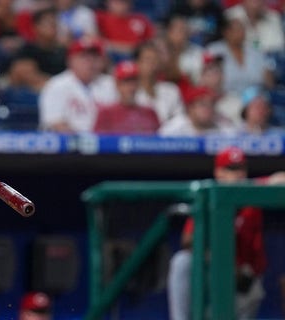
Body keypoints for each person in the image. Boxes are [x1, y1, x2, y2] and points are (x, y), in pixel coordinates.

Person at [167, 146, 285, 320]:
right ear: (218, 172)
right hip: (213, 273)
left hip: (244, 281)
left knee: (253, 289)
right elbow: (187, 241)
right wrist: (221, 262)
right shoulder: (207, 196)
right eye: (230, 169)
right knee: (182, 262)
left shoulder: (252, 192)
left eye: (240, 169)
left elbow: (279, 179)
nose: (237, 175)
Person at [38, 38, 117, 133]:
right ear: (70, 60)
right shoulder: (57, 85)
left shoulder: (111, 84)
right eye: (84, 56)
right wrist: (87, 141)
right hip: (67, 145)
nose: (90, 61)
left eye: (95, 57)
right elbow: (55, 123)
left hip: (106, 144)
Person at [93, 60, 160, 135]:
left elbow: (159, 142)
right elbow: (97, 142)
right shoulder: (106, 113)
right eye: (126, 82)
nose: (131, 87)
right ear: (117, 85)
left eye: (134, 81)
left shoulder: (150, 113)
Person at [159, 85, 238, 136]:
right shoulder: (176, 127)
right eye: (202, 104)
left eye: (211, 104)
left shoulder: (222, 127)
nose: (208, 108)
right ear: (190, 108)